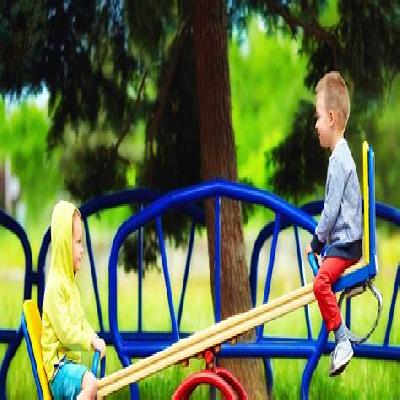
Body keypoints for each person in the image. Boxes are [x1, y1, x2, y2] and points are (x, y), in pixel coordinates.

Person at [305, 71, 363, 377]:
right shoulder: (341, 156)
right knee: (321, 280)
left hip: (346, 244)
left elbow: (329, 211)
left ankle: (342, 340)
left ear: (330, 117)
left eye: (317, 118)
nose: (315, 125)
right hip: (344, 242)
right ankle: (341, 337)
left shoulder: (339, 160)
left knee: (320, 284)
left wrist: (316, 242)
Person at [41, 201, 106, 399]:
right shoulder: (55, 287)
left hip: (69, 366)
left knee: (98, 390)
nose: (82, 249)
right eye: (78, 242)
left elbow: (80, 322)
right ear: (63, 244)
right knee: (90, 384)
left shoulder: (70, 285)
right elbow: (66, 333)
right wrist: (90, 342)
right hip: (58, 369)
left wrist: (94, 337)